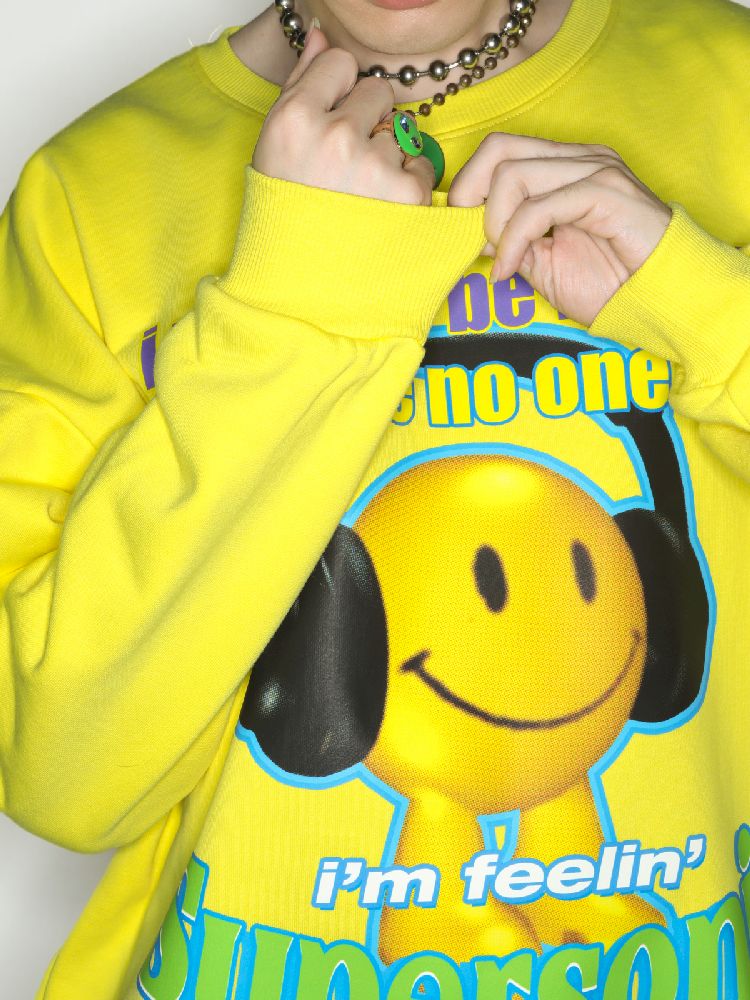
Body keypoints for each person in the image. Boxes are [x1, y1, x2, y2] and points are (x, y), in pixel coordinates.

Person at [1, 0, 749, 994]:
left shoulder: (731, 88)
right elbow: (64, 779)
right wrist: (296, 304)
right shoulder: (89, 198)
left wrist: (708, 311)